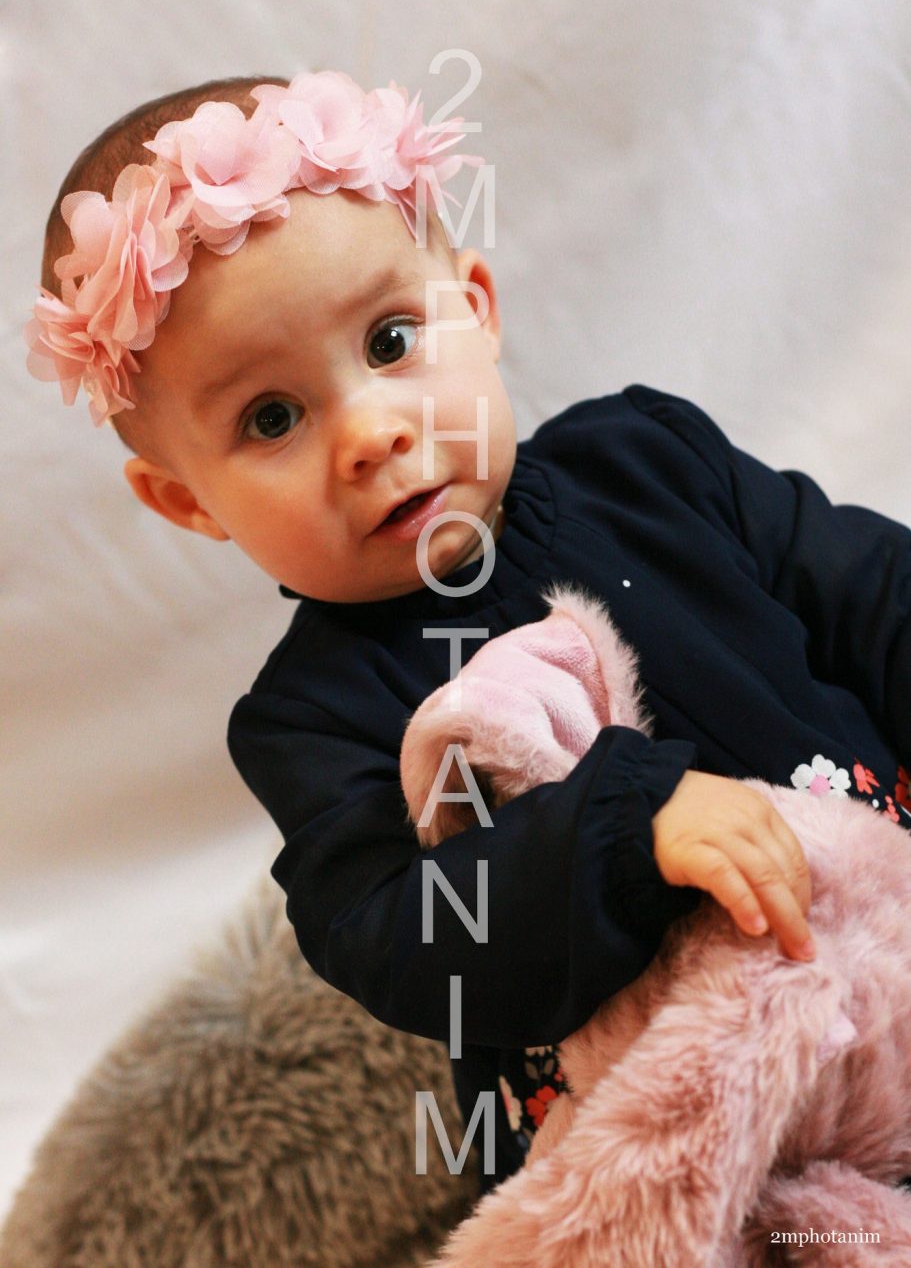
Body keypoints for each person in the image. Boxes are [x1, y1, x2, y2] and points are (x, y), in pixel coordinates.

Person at [26, 68, 911, 1193]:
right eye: (272, 416)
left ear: (476, 308)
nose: (371, 432)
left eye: (390, 339)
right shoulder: (312, 720)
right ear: (187, 500)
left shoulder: (651, 461)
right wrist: (627, 821)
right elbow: (404, 943)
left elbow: (869, 594)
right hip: (668, 1141)